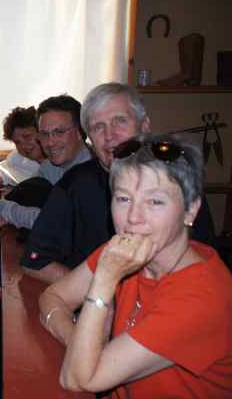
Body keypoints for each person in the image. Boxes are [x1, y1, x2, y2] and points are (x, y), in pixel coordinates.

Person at [39, 134, 232, 398]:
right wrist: (78, 343)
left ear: (191, 210)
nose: (133, 218)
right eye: (123, 199)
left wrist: (105, 280)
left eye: (155, 201)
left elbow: (78, 379)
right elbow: (52, 297)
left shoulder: (202, 297)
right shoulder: (127, 251)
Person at [23, 82, 215, 285]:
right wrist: (98, 293)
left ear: (145, 126)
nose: (109, 136)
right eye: (98, 127)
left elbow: (201, 268)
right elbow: (34, 261)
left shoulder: (177, 180)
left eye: (120, 121)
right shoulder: (74, 184)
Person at [0, 94, 91, 230]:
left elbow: (63, 223)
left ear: (80, 131)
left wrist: (5, 209)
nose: (50, 142)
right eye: (44, 134)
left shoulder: (94, 173)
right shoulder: (49, 166)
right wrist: (3, 216)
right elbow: (34, 200)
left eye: (59, 132)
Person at [0, 105, 44, 193]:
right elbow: (0, 168)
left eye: (27, 136)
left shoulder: (58, 158)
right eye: (17, 142)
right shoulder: (19, 157)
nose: (23, 146)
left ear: (41, 131)